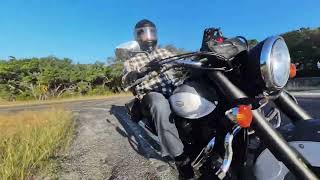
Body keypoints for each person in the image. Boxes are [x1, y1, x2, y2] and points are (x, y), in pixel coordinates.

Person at [122, 19, 194, 179]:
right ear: (137, 37)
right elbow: (127, 79)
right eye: (143, 32)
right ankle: (181, 160)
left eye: (151, 32)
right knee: (159, 103)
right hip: (150, 94)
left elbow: (183, 64)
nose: (148, 36)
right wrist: (142, 71)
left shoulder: (164, 52)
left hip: (174, 89)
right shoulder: (132, 60)